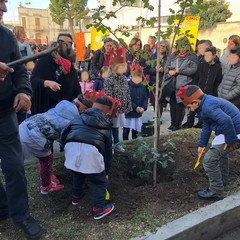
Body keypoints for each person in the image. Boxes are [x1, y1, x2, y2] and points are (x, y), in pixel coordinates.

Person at [0, 0, 41, 237]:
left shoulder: (6, 36)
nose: (5, 9)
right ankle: (2, 207)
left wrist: (23, 91)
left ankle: (21, 214)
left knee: (14, 167)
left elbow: (21, 73)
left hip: (4, 115)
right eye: (1, 3)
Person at [19, 95, 93, 194]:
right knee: (47, 160)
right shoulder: (71, 120)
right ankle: (46, 187)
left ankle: (47, 175)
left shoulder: (63, 105)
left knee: (43, 158)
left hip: (25, 126)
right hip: (33, 137)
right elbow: (64, 138)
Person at [177, 85, 240, 201]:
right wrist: (201, 145)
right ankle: (222, 181)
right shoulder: (205, 104)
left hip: (235, 132)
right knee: (221, 155)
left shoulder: (208, 106)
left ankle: (216, 191)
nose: (190, 109)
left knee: (209, 160)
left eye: (190, 106)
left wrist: (231, 141)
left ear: (195, 102)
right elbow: (207, 126)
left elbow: (227, 120)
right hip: (228, 131)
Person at [61, 96, 116, 220]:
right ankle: (99, 209)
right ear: (108, 112)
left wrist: (68, 149)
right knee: (99, 181)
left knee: (78, 174)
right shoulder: (106, 125)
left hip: (71, 147)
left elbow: (64, 133)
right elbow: (107, 151)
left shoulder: (78, 117)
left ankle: (76, 197)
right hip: (91, 150)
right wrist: (105, 171)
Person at [31, 33, 81, 115]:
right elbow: (33, 79)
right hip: (47, 108)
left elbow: (75, 85)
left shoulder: (70, 63)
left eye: (68, 43)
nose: (65, 45)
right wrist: (47, 83)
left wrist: (80, 98)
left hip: (65, 110)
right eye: (61, 41)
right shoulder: (45, 59)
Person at [166, 37, 198, 131]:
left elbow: (193, 70)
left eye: (184, 47)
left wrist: (179, 70)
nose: (182, 49)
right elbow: (166, 67)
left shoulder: (192, 57)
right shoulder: (173, 56)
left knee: (180, 105)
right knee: (172, 105)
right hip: (172, 84)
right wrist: (169, 71)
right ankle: (172, 123)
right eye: (180, 47)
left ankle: (177, 124)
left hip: (183, 84)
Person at [186, 46, 222, 128]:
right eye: (205, 55)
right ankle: (189, 126)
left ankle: (201, 125)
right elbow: (196, 78)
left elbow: (218, 81)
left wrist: (214, 93)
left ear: (214, 56)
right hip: (198, 91)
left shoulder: (218, 67)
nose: (207, 57)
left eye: (209, 55)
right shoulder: (201, 65)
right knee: (192, 110)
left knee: (204, 112)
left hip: (210, 93)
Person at [104, 48, 132, 153]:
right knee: (111, 127)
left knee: (116, 127)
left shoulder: (124, 78)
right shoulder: (109, 79)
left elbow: (127, 92)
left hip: (121, 108)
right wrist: (112, 109)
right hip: (113, 109)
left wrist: (128, 106)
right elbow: (108, 95)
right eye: (122, 66)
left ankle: (116, 143)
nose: (124, 68)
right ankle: (110, 144)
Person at [123, 64, 148, 140]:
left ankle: (135, 143)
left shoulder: (143, 87)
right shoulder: (127, 86)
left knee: (135, 131)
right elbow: (126, 99)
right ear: (131, 77)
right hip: (129, 112)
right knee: (126, 130)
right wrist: (135, 107)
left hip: (138, 112)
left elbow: (145, 98)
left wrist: (143, 107)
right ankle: (124, 143)